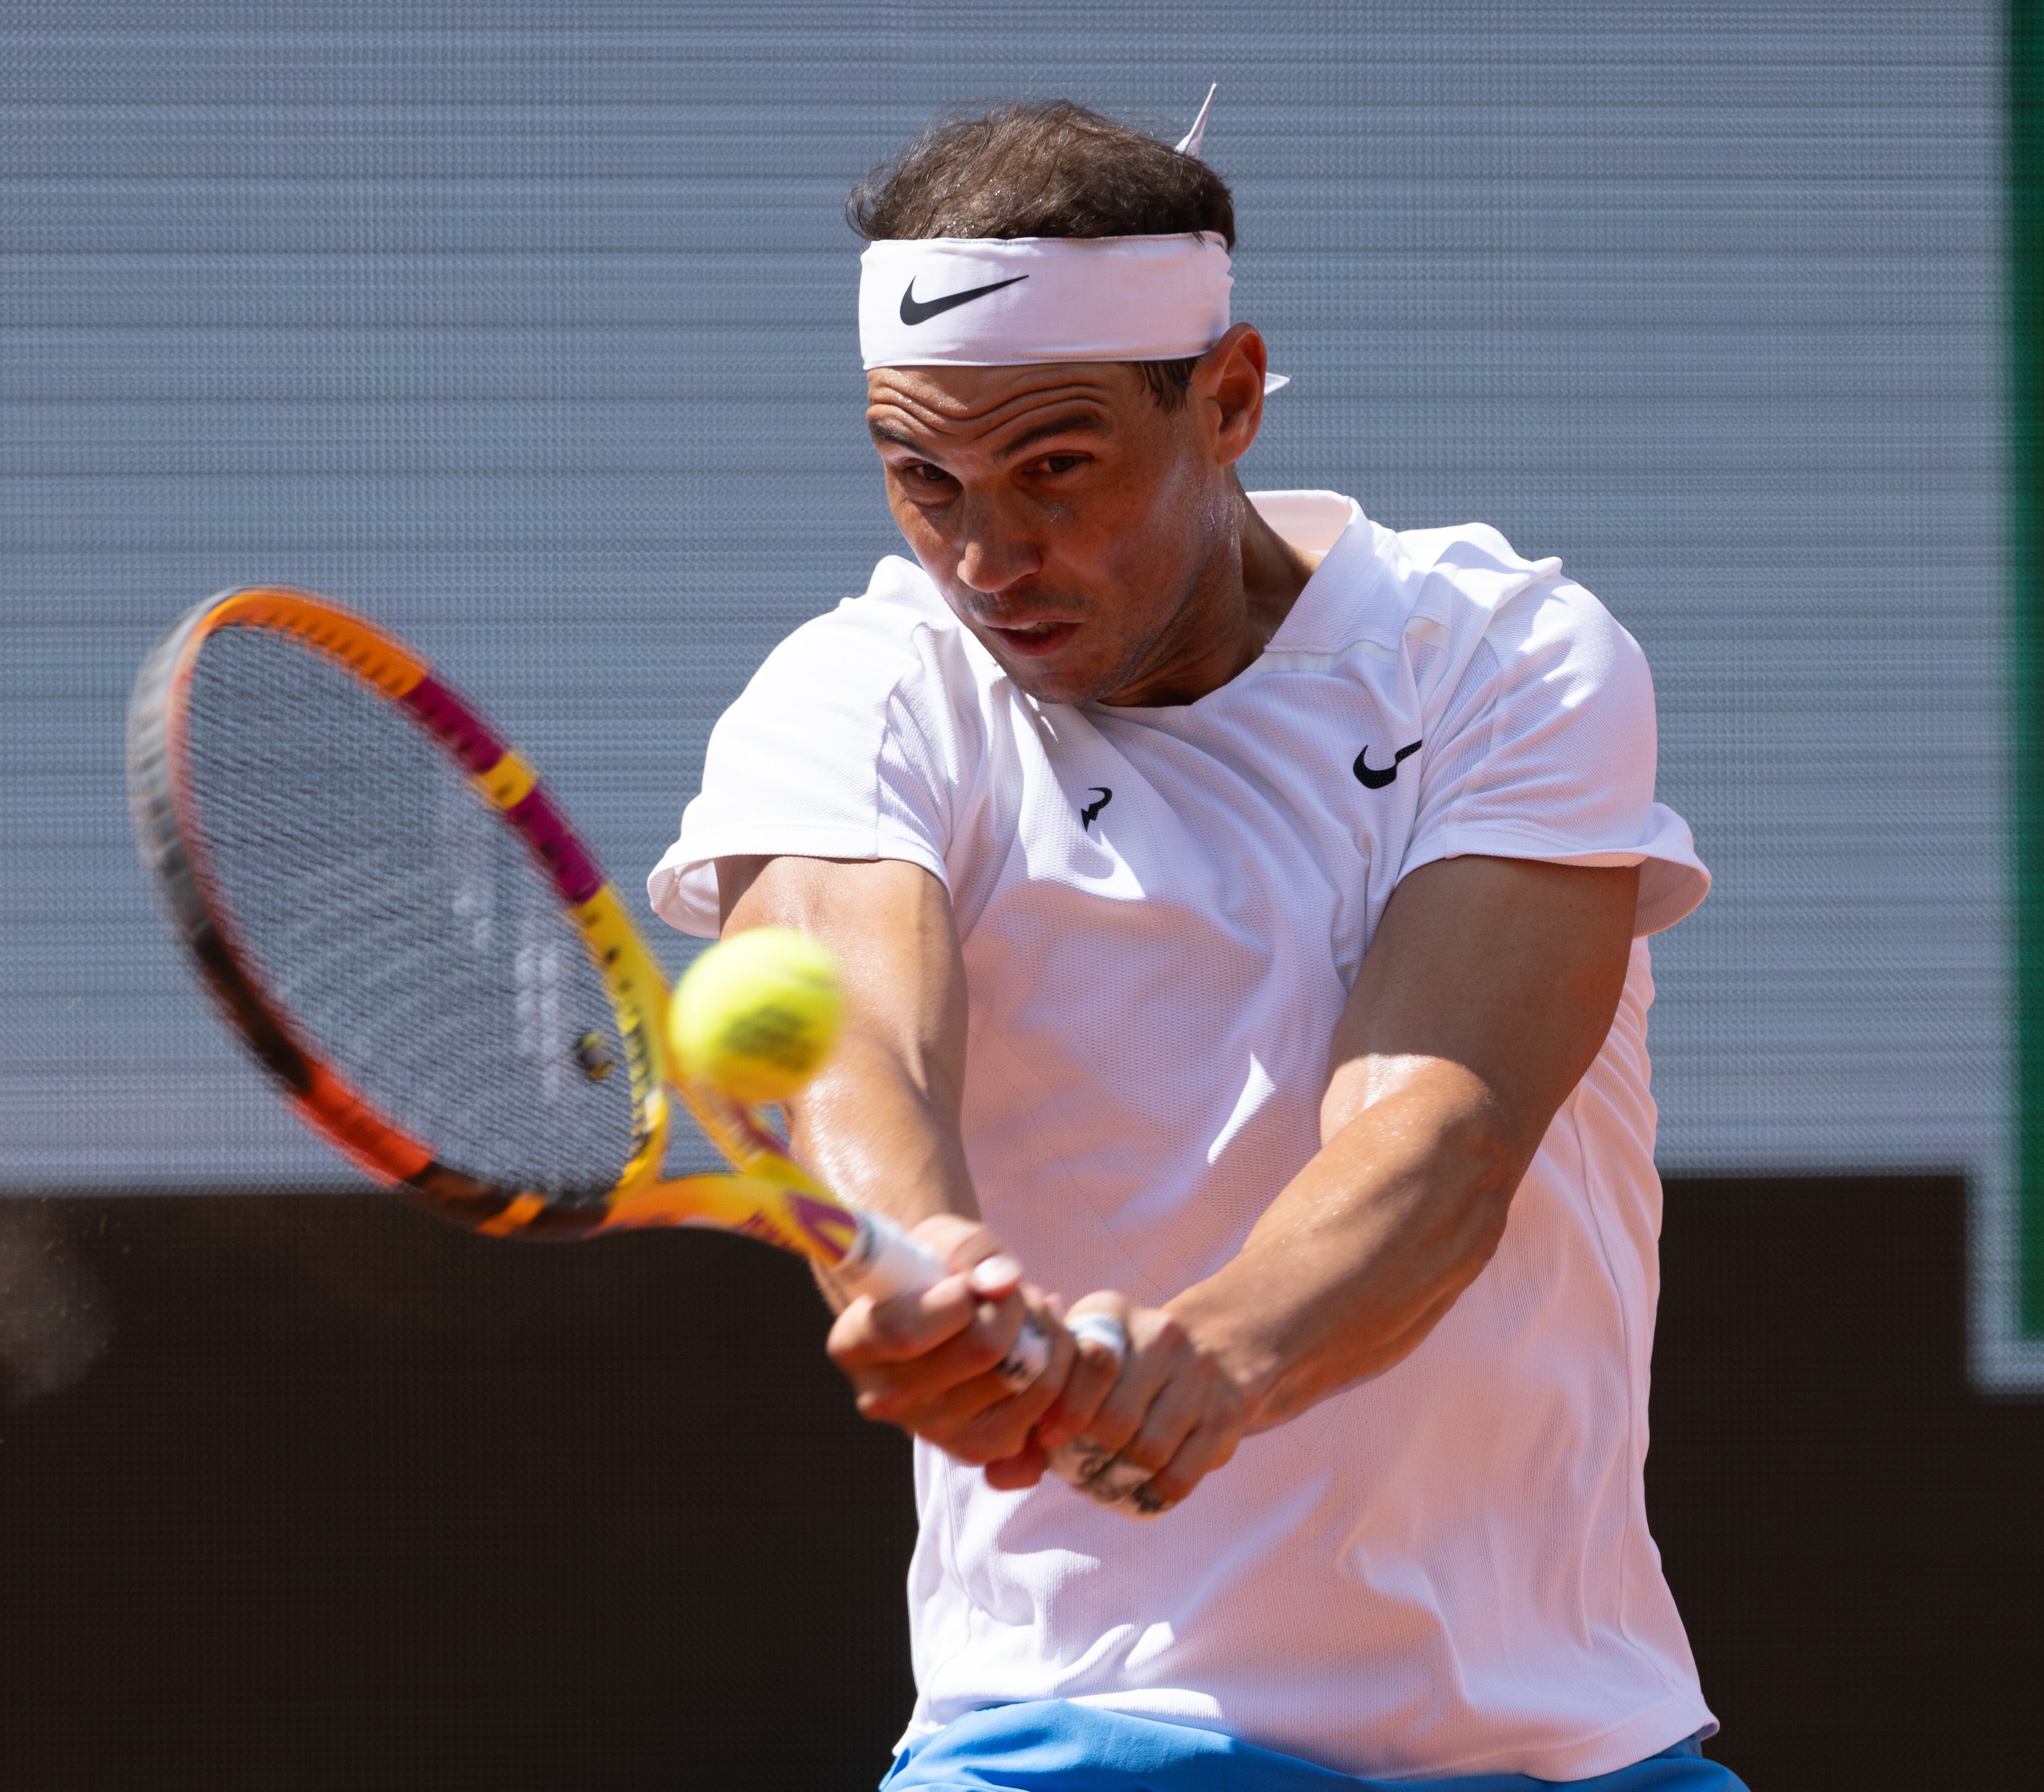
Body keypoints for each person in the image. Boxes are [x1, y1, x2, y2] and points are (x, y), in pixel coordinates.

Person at [647, 98, 1741, 1792]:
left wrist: (1221, 1349)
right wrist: (922, 1260)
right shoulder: (859, 693)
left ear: (1226, 399)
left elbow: (1434, 1138)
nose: (986, 557)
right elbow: (857, 1035)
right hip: (1079, 1734)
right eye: (921, 474)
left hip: (1569, 1744)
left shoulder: (1502, 659)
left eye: (1056, 470)